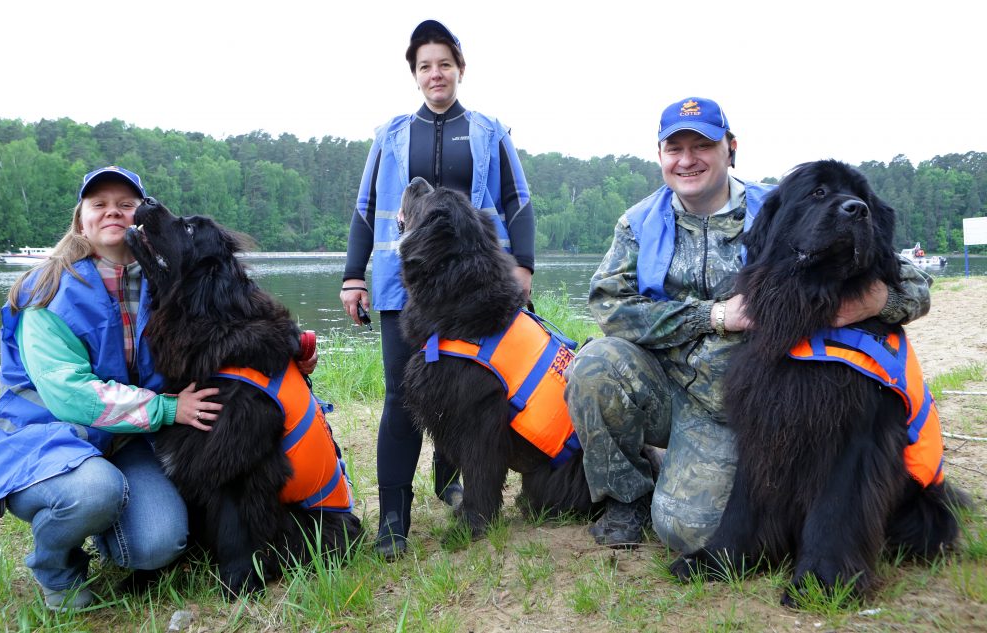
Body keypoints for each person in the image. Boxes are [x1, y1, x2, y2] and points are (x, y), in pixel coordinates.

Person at [564, 97, 933, 551]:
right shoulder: (639, 223)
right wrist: (712, 315)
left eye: (701, 145)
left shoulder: (777, 208)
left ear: (730, 148)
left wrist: (875, 299)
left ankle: (680, 464)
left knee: (689, 533)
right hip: (662, 381)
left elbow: (912, 283)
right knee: (594, 363)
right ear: (660, 155)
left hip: (734, 407)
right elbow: (607, 304)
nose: (687, 159)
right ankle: (625, 499)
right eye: (674, 148)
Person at [0, 166, 222, 610]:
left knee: (159, 544)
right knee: (95, 492)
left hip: (123, 442)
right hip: (43, 440)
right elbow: (70, 394)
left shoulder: (163, 281)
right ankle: (57, 567)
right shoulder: (47, 289)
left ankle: (109, 526)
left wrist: (291, 352)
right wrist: (167, 409)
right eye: (100, 204)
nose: (114, 212)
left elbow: (219, 338)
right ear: (81, 218)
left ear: (141, 219)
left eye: (126, 205)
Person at [340, 19, 535, 558]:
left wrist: (523, 266)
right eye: (425, 66)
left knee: (468, 393)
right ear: (415, 75)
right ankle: (393, 522)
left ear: (460, 69)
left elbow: (518, 201)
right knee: (402, 397)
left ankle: (454, 485)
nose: (435, 74)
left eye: (444, 63)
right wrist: (353, 276)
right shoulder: (391, 135)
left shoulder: (490, 131)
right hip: (404, 283)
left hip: (475, 285)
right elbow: (363, 212)